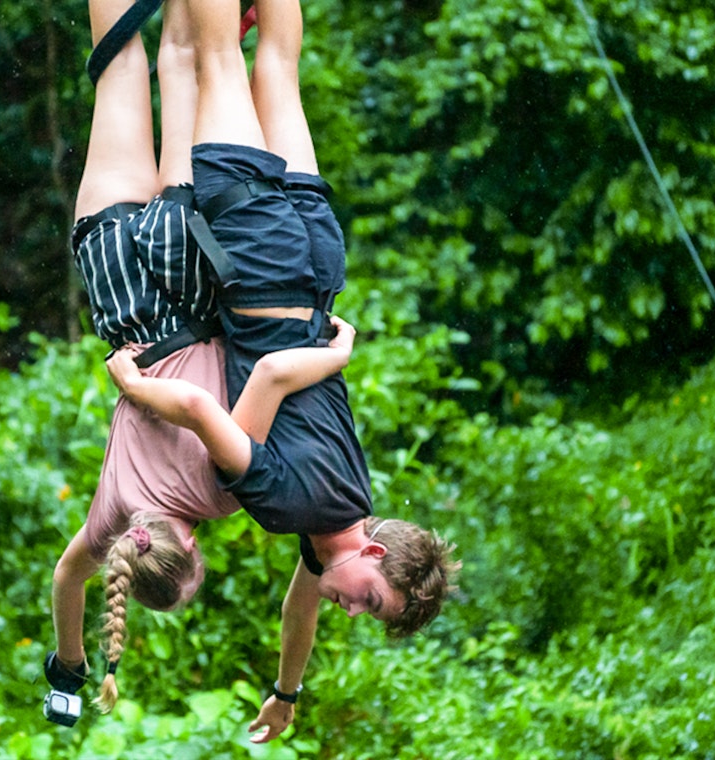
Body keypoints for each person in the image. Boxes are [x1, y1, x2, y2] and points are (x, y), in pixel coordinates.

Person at [105, 0, 460, 742]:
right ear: (371, 555)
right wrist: (136, 388)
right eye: (369, 601)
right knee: (219, 60)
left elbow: (299, 608)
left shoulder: (344, 504)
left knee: (278, 63)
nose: (348, 609)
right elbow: (237, 396)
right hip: (261, 267)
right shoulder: (287, 510)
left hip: (317, 265)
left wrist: (286, 691)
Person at [46, 0, 354, 720]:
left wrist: (334, 354)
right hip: (116, 282)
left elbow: (252, 369)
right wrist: (69, 672)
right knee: (118, 66)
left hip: (187, 274)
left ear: (193, 550)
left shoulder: (223, 490)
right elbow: (67, 581)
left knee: (190, 60)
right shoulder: (107, 520)